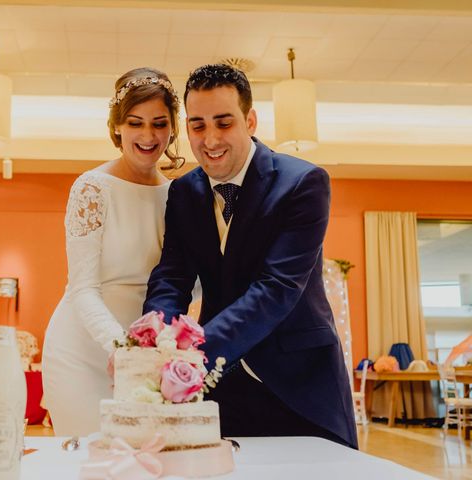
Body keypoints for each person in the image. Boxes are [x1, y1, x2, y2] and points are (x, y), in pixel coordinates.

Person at [143, 64, 357, 449]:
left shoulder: (304, 184)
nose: (210, 140)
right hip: (220, 390)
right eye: (197, 125)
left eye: (223, 123)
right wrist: (154, 339)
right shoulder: (184, 194)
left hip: (299, 385)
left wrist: (193, 355)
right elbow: (172, 277)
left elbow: (276, 289)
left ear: (250, 120)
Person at [42, 67, 182, 436]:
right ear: (118, 126)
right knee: (88, 461)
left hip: (145, 356)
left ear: (172, 128)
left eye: (159, 123)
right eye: (136, 123)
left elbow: (185, 281)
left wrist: (161, 345)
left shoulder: (178, 197)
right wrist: (122, 349)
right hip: (82, 350)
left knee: (143, 459)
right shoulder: (92, 188)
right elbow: (83, 287)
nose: (148, 135)